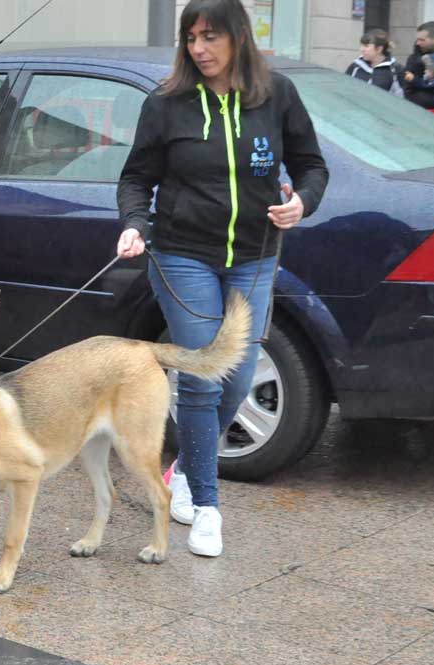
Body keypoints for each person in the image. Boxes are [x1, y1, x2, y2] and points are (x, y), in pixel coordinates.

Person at [116, 0, 328, 558]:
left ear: (238, 36)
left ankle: (186, 468)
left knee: (236, 377)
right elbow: (136, 178)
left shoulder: (276, 94)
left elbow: (312, 164)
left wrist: (302, 202)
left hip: (256, 255)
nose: (199, 49)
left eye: (210, 37)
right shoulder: (166, 104)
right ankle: (207, 507)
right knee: (205, 375)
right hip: (182, 255)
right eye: (191, 38)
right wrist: (135, 226)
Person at [345, 29, 403, 96]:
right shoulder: (355, 66)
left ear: (379, 49)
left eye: (366, 46)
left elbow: (401, 98)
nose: (361, 49)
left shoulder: (395, 70)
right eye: (361, 45)